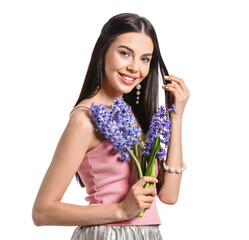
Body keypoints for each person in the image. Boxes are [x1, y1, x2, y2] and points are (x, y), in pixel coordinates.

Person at [32, 13, 190, 240]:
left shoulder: (136, 117)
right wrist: (120, 210)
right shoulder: (85, 119)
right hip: (107, 235)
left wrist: (177, 116)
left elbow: (169, 196)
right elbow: (42, 212)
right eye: (125, 53)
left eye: (145, 59)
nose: (135, 67)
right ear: (103, 51)